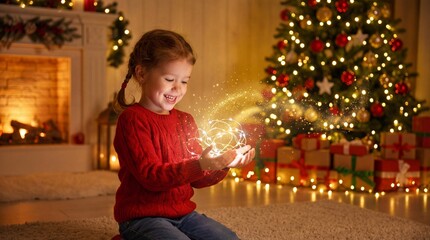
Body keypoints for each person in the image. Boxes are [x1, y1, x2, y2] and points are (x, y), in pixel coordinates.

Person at [113, 29, 256, 240]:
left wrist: (222, 164)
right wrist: (200, 165)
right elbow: (151, 177)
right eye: (169, 78)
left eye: (184, 81)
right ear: (141, 73)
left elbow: (197, 179)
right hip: (141, 218)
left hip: (183, 214)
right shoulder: (132, 120)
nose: (177, 88)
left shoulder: (185, 120)